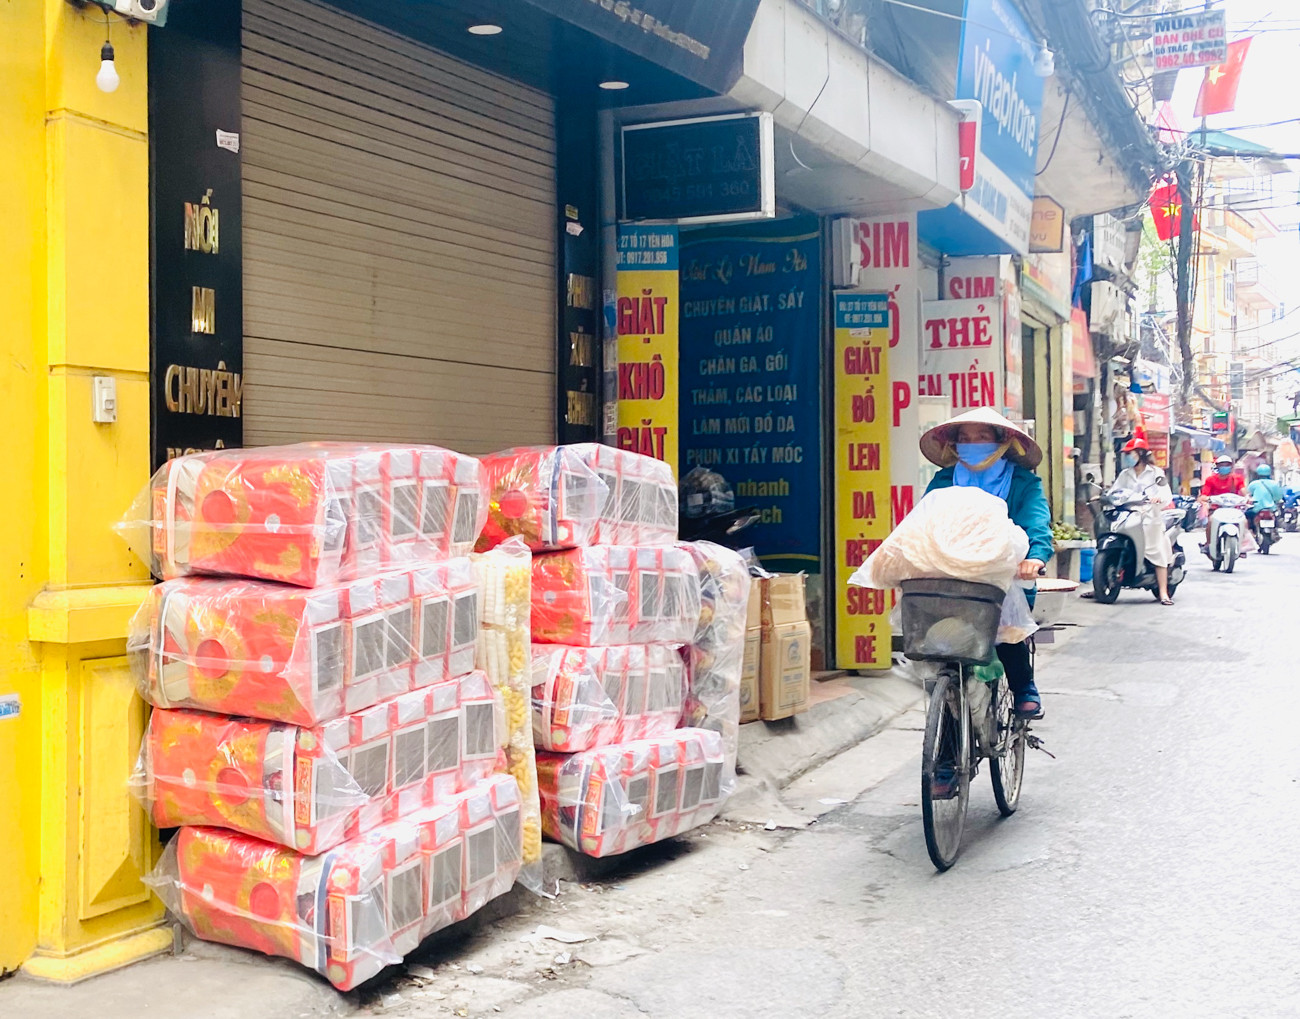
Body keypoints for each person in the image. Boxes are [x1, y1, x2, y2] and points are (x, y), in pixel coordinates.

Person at [920, 408, 1052, 719]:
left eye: (981, 437)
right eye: (965, 438)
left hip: (1007, 578)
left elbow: (1036, 522)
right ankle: (949, 737)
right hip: (952, 576)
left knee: (1005, 631)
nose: (972, 444)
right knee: (944, 646)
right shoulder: (944, 480)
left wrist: (1034, 557)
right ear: (955, 445)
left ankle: (1024, 687)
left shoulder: (1023, 482)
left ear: (1002, 442)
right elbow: (922, 522)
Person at [1111, 438, 1176, 605]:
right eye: (1126, 454)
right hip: (1128, 515)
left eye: (1130, 453)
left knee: (1156, 551)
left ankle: (1163, 592)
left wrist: (1157, 498)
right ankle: (1101, 586)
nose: (1127, 457)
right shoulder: (1125, 474)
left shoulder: (1155, 473)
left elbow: (1165, 493)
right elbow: (1115, 491)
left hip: (1149, 517)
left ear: (1140, 454)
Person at [1246, 464, 1285, 530]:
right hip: (1271, 508)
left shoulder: (1253, 484)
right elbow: (1278, 497)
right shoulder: (1275, 484)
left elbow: (1249, 495)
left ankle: (1251, 531)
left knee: (1247, 516)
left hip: (1256, 509)